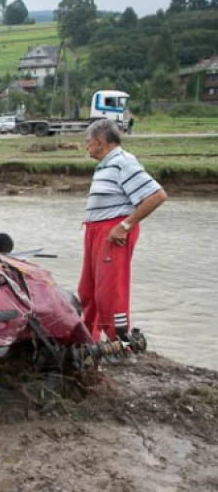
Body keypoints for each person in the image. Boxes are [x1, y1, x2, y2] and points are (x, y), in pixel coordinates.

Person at [78, 118, 166, 343]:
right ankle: (88, 339)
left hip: (112, 232)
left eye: (88, 142)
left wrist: (125, 226)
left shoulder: (123, 161)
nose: (86, 147)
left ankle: (120, 343)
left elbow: (157, 195)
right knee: (88, 290)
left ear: (99, 142)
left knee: (110, 292)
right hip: (95, 232)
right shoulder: (106, 164)